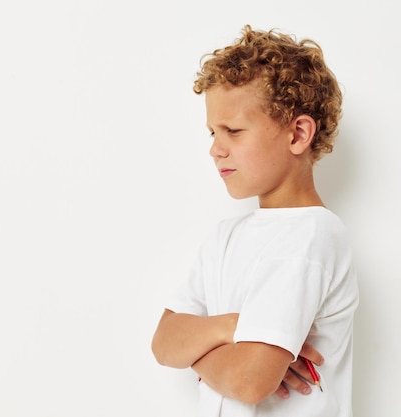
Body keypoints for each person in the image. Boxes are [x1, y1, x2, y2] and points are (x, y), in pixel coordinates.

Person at [152, 24, 359, 417]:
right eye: (213, 131)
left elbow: (249, 381)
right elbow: (163, 342)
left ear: (298, 133)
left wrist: (199, 347)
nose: (215, 148)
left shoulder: (312, 236)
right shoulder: (226, 236)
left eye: (233, 130)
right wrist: (234, 329)